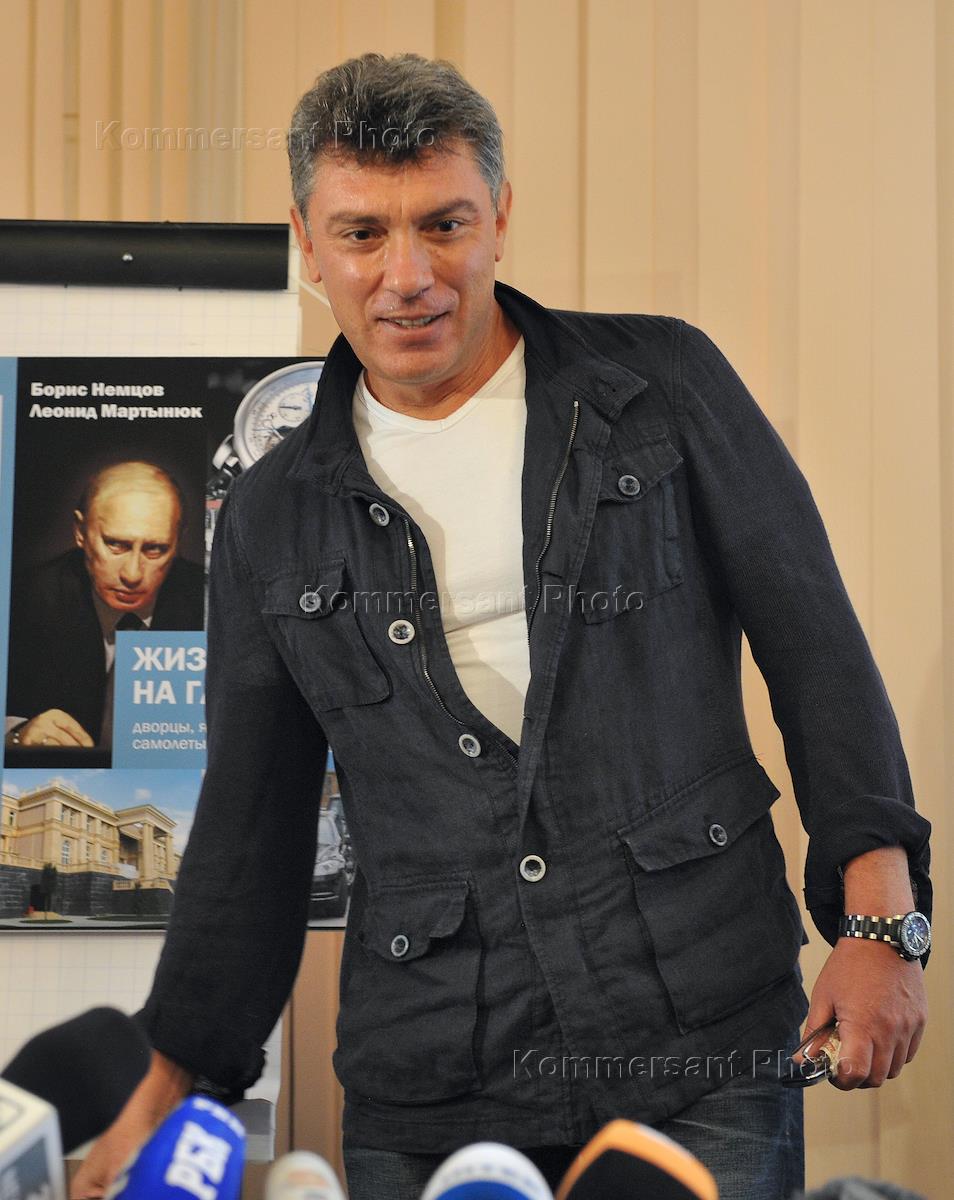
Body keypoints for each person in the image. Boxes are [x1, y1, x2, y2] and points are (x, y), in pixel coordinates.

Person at [71, 54, 931, 1200]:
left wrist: (881, 927)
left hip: (700, 1042)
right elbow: (250, 832)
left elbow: (816, 650)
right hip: (433, 1076)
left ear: (501, 218)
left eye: (445, 224)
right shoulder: (270, 518)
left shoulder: (662, 385)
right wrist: (167, 1085)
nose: (409, 275)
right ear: (309, 244)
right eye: (364, 233)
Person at [5, 460, 204, 754]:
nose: (132, 574)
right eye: (115, 544)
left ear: (179, 540)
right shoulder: (20, 601)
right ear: (80, 532)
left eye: (155, 549)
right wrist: (15, 734)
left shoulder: (214, 602)